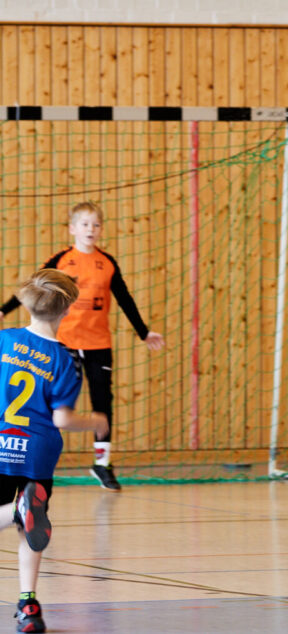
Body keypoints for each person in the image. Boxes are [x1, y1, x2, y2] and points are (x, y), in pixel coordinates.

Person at [0, 202, 165, 491]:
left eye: (96, 224)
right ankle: (32, 455)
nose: (91, 229)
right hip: (66, 344)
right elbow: (35, 287)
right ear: (72, 228)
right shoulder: (62, 260)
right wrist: (3, 310)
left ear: (101, 229)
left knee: (103, 400)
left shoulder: (108, 263)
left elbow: (124, 298)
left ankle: (102, 463)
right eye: (85, 224)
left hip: (98, 343)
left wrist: (143, 332)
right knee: (55, 403)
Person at [0, 269, 109, 633]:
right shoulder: (66, 360)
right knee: (30, 530)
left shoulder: (4, 340)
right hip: (38, 455)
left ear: (27, 304)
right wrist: (94, 422)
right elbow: (62, 419)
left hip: (1, 445)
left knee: (24, 520)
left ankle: (17, 509)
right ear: (66, 311)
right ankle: (28, 605)